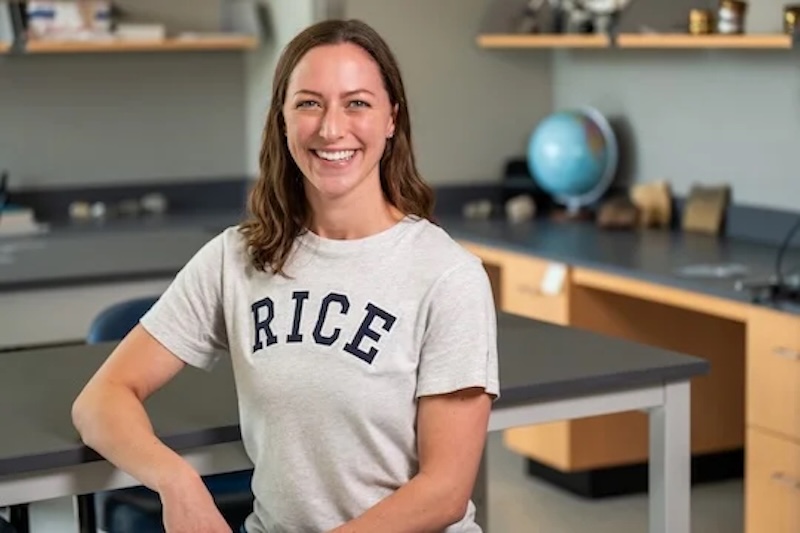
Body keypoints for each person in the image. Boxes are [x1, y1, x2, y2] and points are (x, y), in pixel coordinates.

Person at [72, 18, 499, 533]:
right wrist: (177, 482)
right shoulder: (236, 258)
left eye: (357, 102)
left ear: (391, 119)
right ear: (282, 119)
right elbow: (100, 400)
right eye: (309, 103)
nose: (330, 128)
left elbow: (445, 492)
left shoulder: (447, 275)